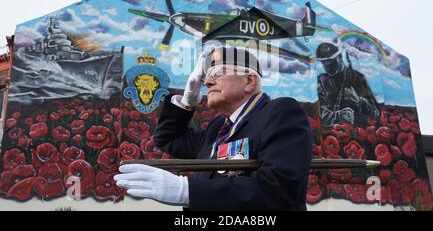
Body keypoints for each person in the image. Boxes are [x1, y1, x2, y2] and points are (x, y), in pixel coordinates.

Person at [114, 46, 313, 211]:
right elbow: (167, 139)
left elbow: (278, 191)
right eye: (206, 76)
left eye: (217, 73)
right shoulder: (218, 127)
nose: (207, 82)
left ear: (249, 81)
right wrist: (187, 101)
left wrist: (188, 191)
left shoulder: (279, 113)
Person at [316, 42, 380, 128]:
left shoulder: (358, 78)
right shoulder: (322, 81)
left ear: (339, 57)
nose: (327, 66)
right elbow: (323, 117)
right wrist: (339, 116)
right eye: (323, 62)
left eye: (330, 61)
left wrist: (359, 101)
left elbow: (375, 112)